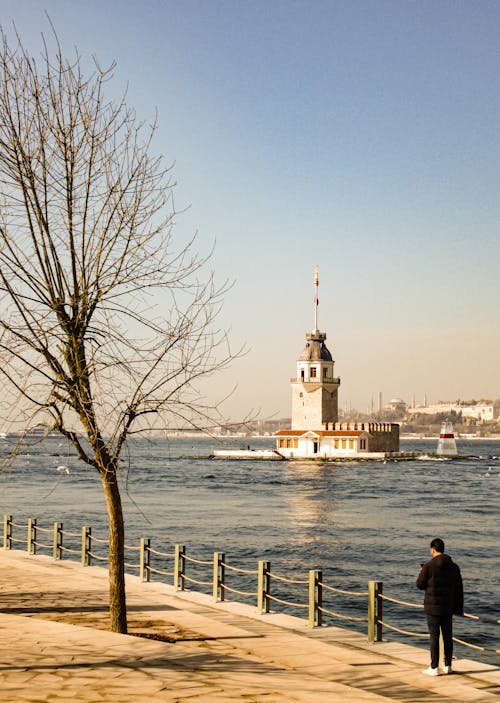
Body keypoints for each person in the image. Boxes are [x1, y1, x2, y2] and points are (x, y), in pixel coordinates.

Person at [416, 537, 463, 676]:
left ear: (433, 550)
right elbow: (459, 588)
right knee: (448, 636)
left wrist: (422, 570)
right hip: (448, 607)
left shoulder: (429, 566)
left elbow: (419, 584)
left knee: (434, 636)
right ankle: (448, 665)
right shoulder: (454, 567)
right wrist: (458, 608)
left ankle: (434, 667)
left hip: (432, 608)